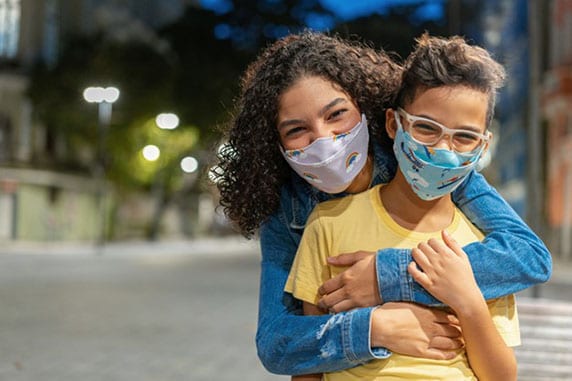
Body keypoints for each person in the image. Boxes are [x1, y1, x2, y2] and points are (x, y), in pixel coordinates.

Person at [214, 31, 551, 376]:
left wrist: (387, 276)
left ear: (365, 107)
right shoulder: (293, 209)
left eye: (336, 115)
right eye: (296, 130)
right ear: (276, 145)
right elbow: (278, 343)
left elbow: (527, 255)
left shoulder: (425, 162)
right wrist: (376, 327)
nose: (324, 141)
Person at [286, 33, 519, 381]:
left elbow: (501, 377)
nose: (443, 149)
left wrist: (468, 301)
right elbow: (309, 362)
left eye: (465, 137)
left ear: (483, 145)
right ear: (394, 124)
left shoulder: (483, 249)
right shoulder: (328, 225)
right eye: (426, 128)